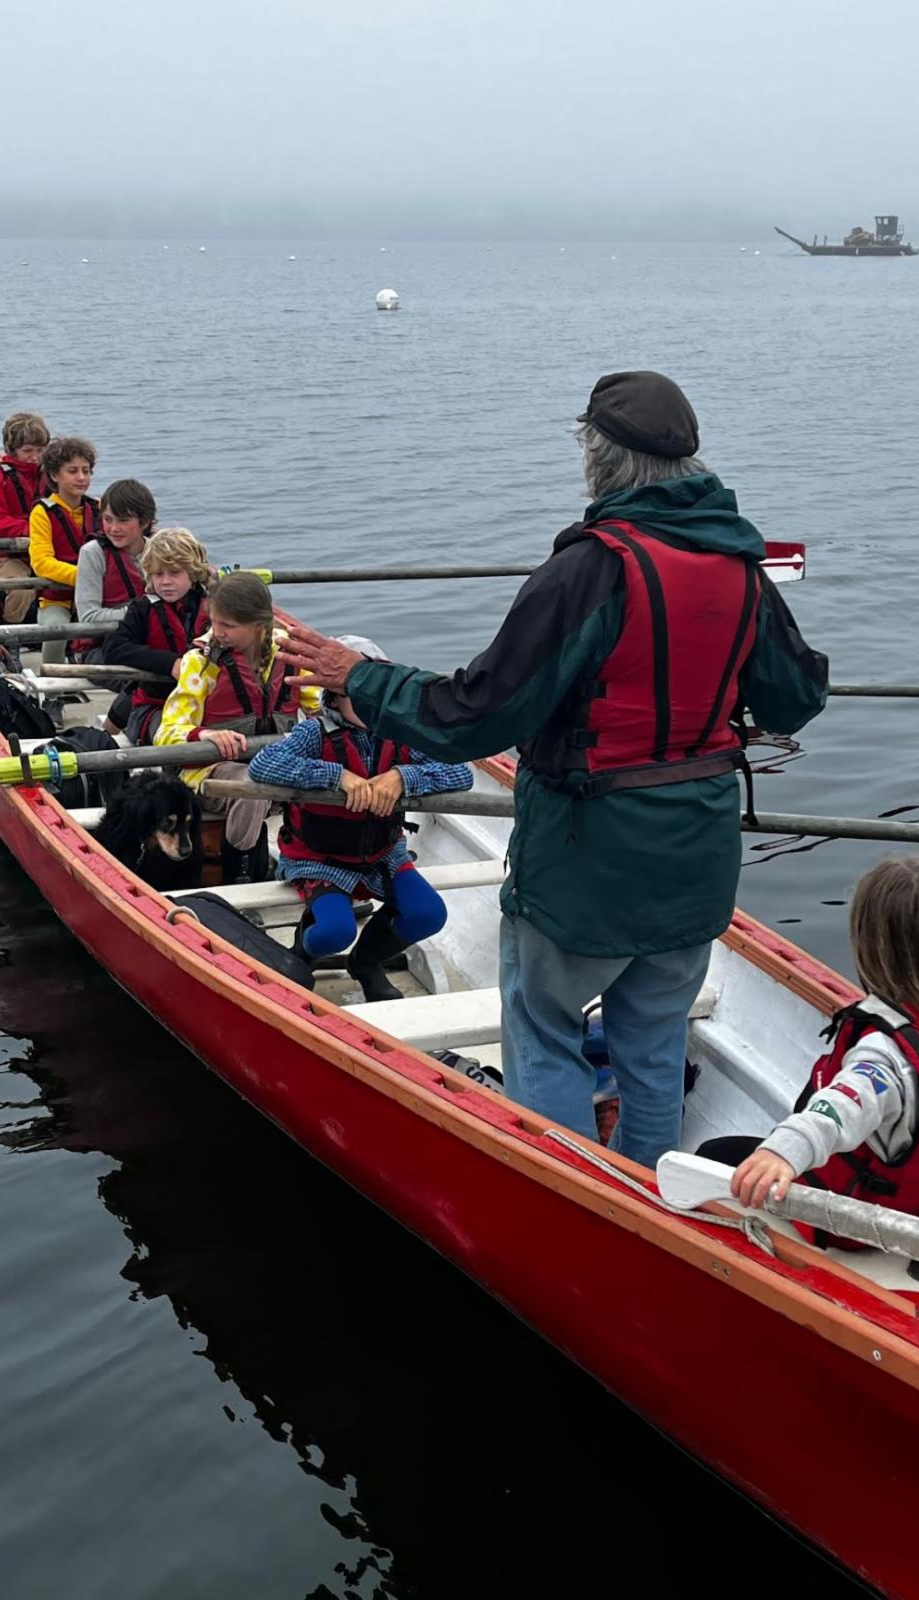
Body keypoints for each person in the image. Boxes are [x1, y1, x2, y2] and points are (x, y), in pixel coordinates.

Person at [279, 370, 828, 1168]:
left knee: (544, 1031)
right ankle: (646, 1190)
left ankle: (571, 1186)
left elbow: (475, 717)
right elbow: (796, 699)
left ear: (596, 457)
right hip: (697, 859)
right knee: (653, 1045)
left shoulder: (589, 570)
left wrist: (360, 678)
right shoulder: (742, 572)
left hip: (584, 860)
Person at [702, 857, 919, 1234]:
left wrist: (782, 1152)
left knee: (714, 1154)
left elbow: (840, 1106)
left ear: (876, 951)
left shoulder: (885, 1057)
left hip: (847, 1223)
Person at [248, 636, 474, 1000]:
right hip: (319, 858)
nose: (369, 705)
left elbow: (460, 772)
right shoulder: (313, 733)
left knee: (429, 914)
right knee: (335, 932)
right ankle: (303, 951)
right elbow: (263, 765)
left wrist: (403, 777)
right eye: (358, 695)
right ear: (334, 698)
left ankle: (366, 962)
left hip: (382, 853)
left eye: (375, 693)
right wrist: (337, 777)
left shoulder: (402, 735)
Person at [155, 571, 320, 884]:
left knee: (335, 768)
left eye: (228, 625)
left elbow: (320, 713)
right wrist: (206, 734)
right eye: (214, 622)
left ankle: (323, 866)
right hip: (211, 773)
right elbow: (165, 734)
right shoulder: (201, 662)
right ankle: (239, 876)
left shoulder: (291, 656)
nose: (217, 632)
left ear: (259, 626)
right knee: (255, 783)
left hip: (278, 765)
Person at [103, 528, 215, 745]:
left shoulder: (215, 608)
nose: (165, 582)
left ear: (193, 573)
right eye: (158, 574)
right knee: (175, 739)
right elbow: (113, 648)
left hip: (204, 702)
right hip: (156, 705)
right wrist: (170, 663)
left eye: (174, 573)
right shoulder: (142, 609)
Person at [74, 479, 156, 733]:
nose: (113, 528)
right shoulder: (92, 553)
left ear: (144, 521)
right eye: (108, 520)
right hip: (100, 648)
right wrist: (140, 614)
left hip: (148, 643)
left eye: (123, 520)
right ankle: (122, 734)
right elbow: (89, 617)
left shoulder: (160, 551)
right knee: (144, 681)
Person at [28, 435, 99, 664]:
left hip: (97, 597)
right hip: (57, 599)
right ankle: (53, 681)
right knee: (56, 633)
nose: (81, 477)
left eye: (86, 471)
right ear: (54, 475)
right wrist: (86, 576)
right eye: (73, 471)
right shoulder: (42, 513)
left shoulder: (98, 509)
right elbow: (42, 563)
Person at [0, 411, 49, 625]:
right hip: (10, 556)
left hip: (49, 552)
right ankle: (12, 631)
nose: (35, 457)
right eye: (28, 451)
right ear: (13, 449)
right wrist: (34, 528)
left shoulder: (52, 476)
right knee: (22, 589)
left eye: (40, 450)